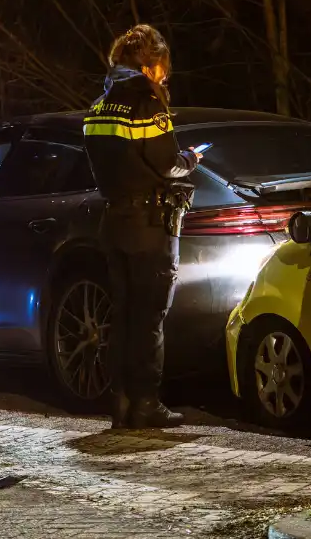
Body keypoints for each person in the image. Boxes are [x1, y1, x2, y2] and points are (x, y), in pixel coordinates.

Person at [83, 24, 201, 429]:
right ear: (150, 66)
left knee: (122, 314)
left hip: (113, 221)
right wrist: (190, 159)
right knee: (149, 317)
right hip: (150, 225)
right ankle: (147, 403)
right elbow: (167, 163)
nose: (165, 79)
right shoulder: (147, 103)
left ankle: (120, 402)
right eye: (163, 71)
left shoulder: (99, 106)